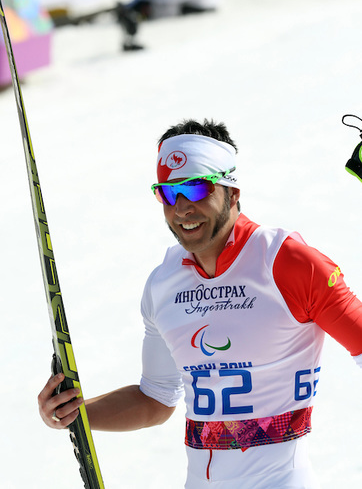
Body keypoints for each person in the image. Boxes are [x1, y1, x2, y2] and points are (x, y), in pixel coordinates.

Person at [38, 119, 362, 488]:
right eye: (167, 193)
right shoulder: (164, 283)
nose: (181, 209)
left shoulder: (289, 263)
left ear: (233, 191)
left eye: (195, 189)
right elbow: (156, 399)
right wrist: (73, 414)